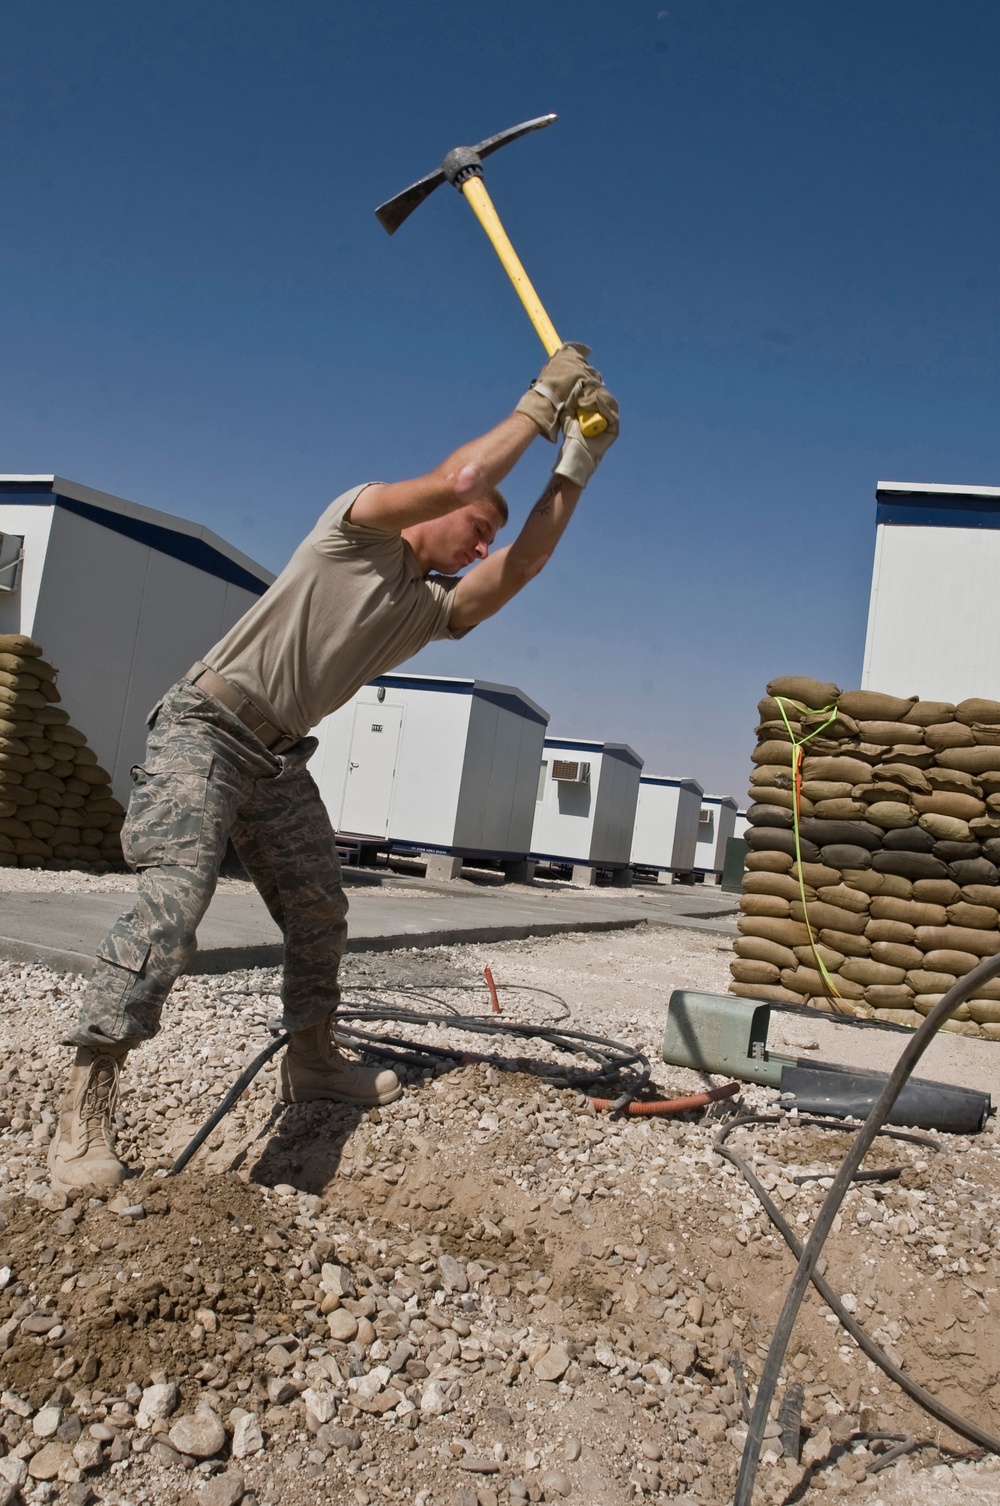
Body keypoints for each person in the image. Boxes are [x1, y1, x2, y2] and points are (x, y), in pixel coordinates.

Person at [47, 343, 619, 1193]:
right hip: (205, 729)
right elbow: (464, 480)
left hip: (274, 761)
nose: (479, 544)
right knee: (174, 905)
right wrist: (543, 402)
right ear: (430, 512)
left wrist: (577, 461)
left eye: (487, 538)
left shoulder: (426, 612)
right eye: (476, 531)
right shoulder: (353, 528)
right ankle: (86, 1095)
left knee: (320, 913)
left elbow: (526, 563)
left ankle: (312, 1059)